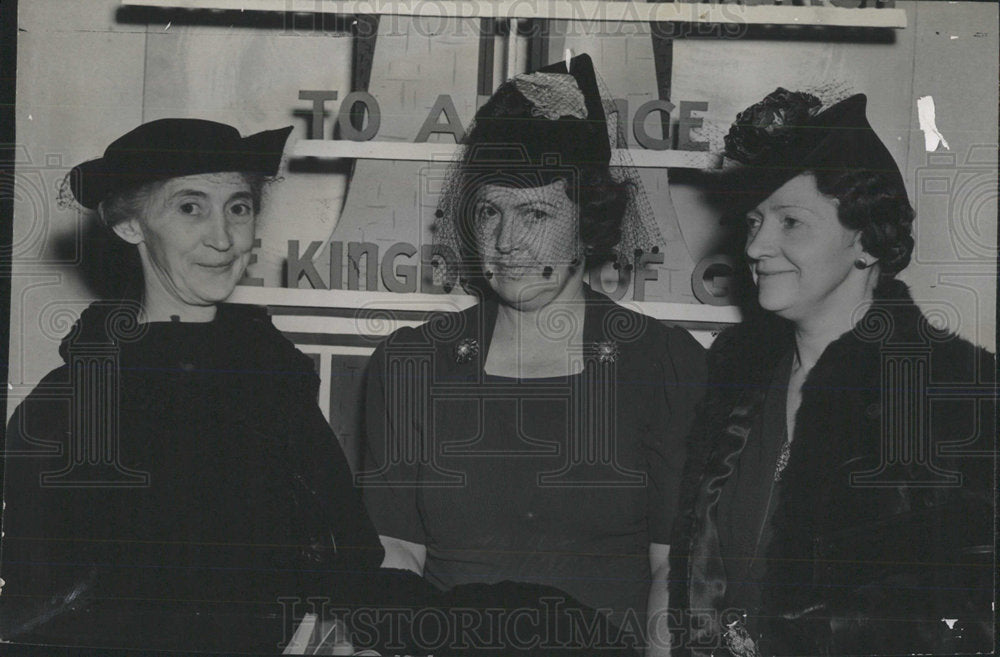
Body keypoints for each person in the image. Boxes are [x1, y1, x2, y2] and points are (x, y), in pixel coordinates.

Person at [360, 54, 707, 651]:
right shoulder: (410, 363)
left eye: (536, 213)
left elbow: (669, 571)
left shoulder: (664, 363)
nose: (504, 241)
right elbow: (396, 555)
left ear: (591, 221)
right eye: (489, 210)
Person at [0, 119, 384, 653]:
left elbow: (352, 554)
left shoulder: (275, 380)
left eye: (239, 207)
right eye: (190, 207)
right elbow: (36, 603)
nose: (223, 238)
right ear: (129, 224)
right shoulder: (70, 403)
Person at [668, 89, 996, 656]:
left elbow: (968, 618)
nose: (757, 245)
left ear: (867, 241)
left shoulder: (955, 389)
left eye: (791, 222)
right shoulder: (734, 372)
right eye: (754, 222)